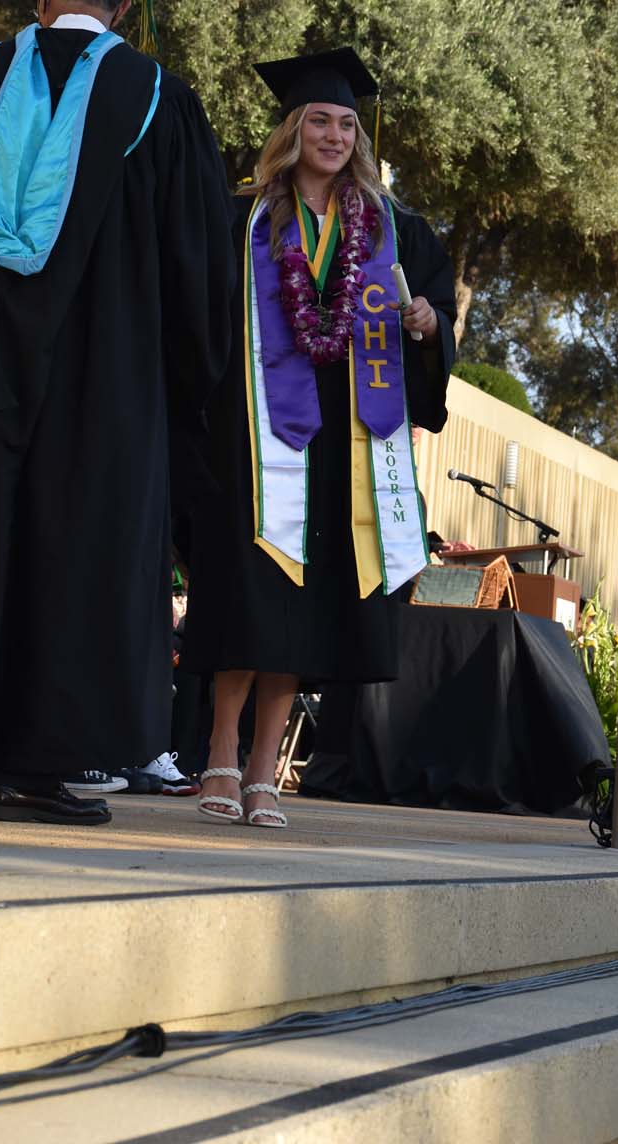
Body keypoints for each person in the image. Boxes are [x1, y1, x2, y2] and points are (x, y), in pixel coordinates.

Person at [0, 0, 235, 825]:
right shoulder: (159, 100)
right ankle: (37, 770)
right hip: (106, 394)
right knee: (76, 556)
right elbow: (196, 270)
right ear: (122, 10)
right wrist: (173, 395)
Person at [182, 48, 456, 827]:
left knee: (304, 605)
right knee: (247, 592)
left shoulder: (394, 230)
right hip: (254, 441)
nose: (334, 136)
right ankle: (219, 755)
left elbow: (435, 309)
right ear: (291, 130)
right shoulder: (243, 221)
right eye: (318, 121)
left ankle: (265, 769)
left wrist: (429, 323)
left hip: (346, 448)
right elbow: (197, 317)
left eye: (345, 124)